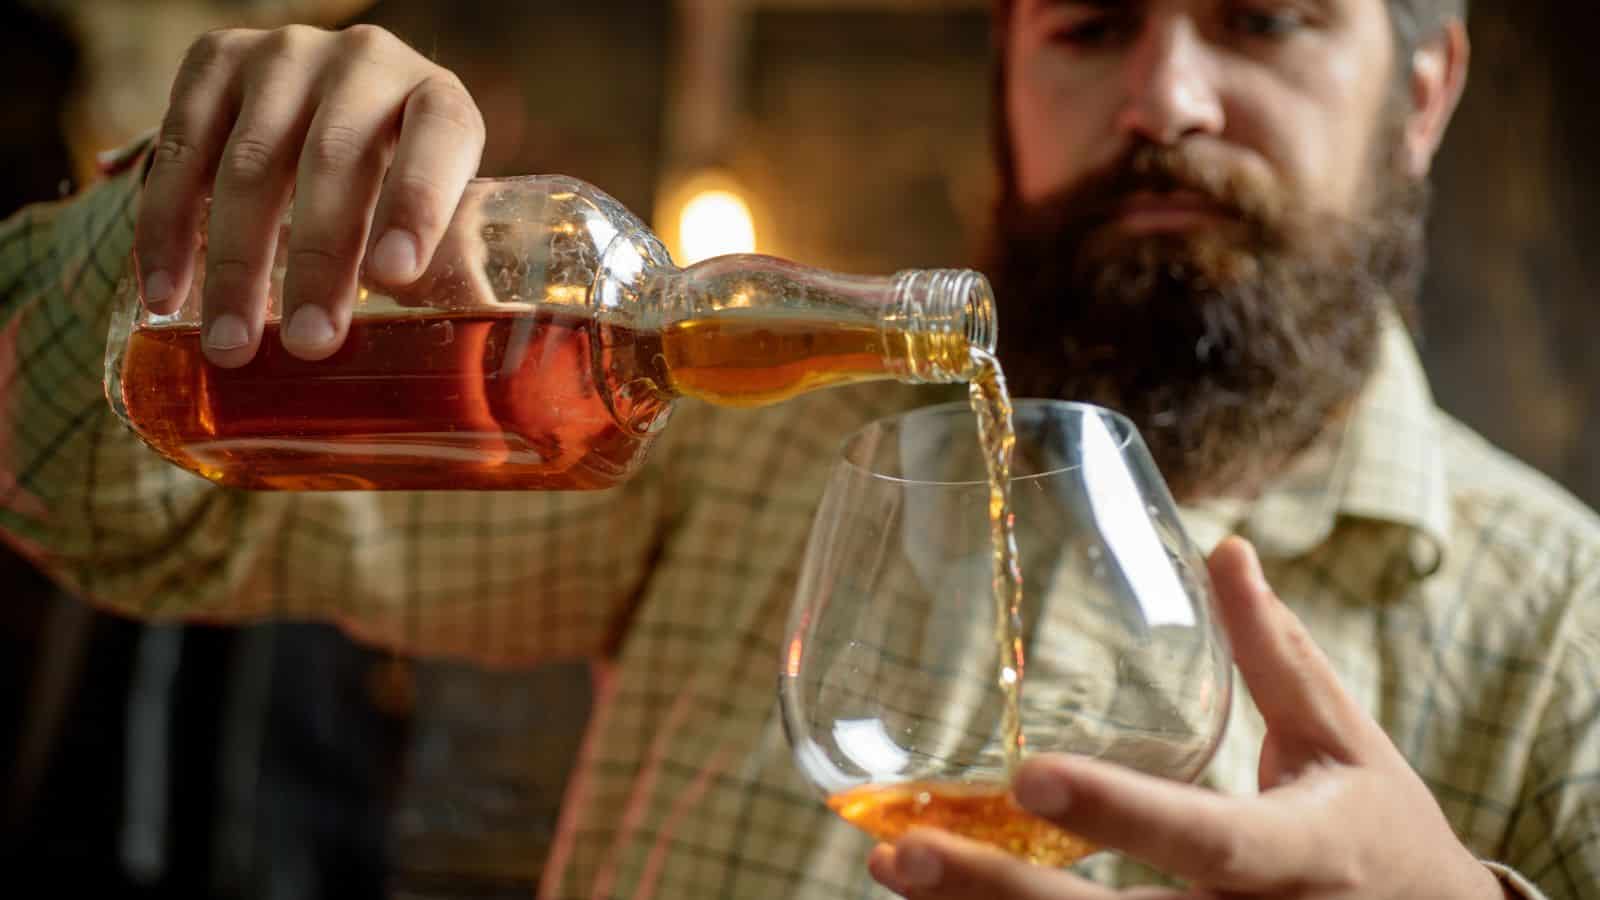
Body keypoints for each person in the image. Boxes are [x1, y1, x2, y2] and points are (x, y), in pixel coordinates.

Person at [2, 0, 1597, 898]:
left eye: (1264, 21)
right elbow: (104, 508)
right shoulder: (724, 427)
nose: (1162, 98)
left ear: (1422, 90)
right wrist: (186, 229)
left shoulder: (1565, 620)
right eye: (1090, 26)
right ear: (1003, 83)